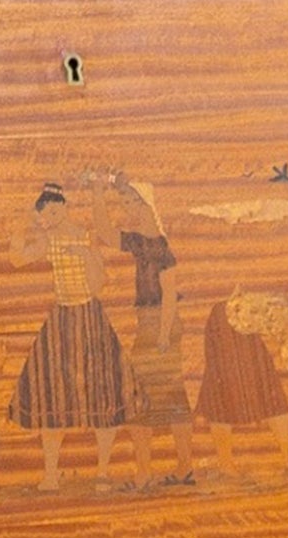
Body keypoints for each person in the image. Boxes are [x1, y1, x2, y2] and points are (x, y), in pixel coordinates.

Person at [8, 181, 126, 491]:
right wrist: (24, 225)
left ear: (65, 206)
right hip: (61, 319)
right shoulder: (48, 240)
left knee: (103, 394)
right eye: (46, 212)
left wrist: (86, 255)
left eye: (55, 209)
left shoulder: (86, 238)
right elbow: (17, 259)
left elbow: (99, 285)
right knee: (51, 395)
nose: (52, 216)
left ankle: (102, 472)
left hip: (89, 318)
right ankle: (50, 474)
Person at [91, 173, 195, 485]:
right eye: (122, 203)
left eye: (129, 202)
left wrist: (163, 336)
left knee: (158, 400)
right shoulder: (139, 242)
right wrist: (98, 194)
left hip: (160, 327)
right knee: (151, 401)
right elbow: (107, 234)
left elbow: (170, 296)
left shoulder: (161, 246)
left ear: (144, 203)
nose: (126, 208)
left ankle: (167, 469)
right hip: (148, 325)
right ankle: (154, 470)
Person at [196, 289, 288, 478]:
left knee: (269, 390)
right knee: (227, 390)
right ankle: (227, 467)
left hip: (240, 326)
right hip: (228, 323)